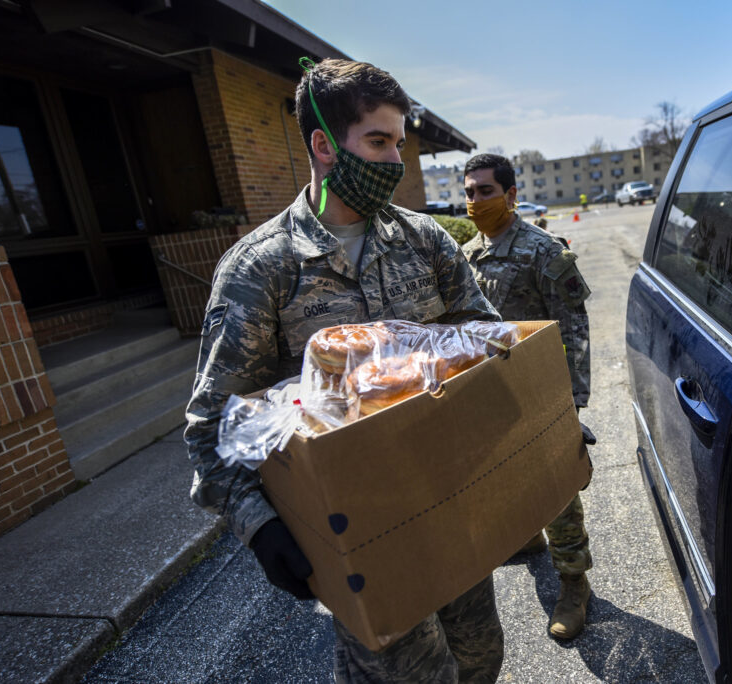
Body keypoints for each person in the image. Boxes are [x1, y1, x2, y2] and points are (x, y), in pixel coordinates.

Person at [184, 57, 504, 683]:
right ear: (325, 146)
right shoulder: (261, 269)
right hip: (360, 532)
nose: (394, 160)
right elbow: (213, 427)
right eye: (378, 142)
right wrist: (261, 527)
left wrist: (537, 421)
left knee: (479, 655)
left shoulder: (425, 241)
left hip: (451, 502)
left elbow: (491, 342)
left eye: (400, 144)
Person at [461, 153, 594, 640]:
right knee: (504, 478)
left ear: (511, 195)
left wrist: (572, 404)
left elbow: (575, 329)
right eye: (469, 192)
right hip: (491, 393)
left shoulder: (544, 252)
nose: (475, 201)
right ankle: (528, 538)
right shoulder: (469, 253)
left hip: (540, 393)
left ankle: (574, 582)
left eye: (486, 191)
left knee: (555, 489)